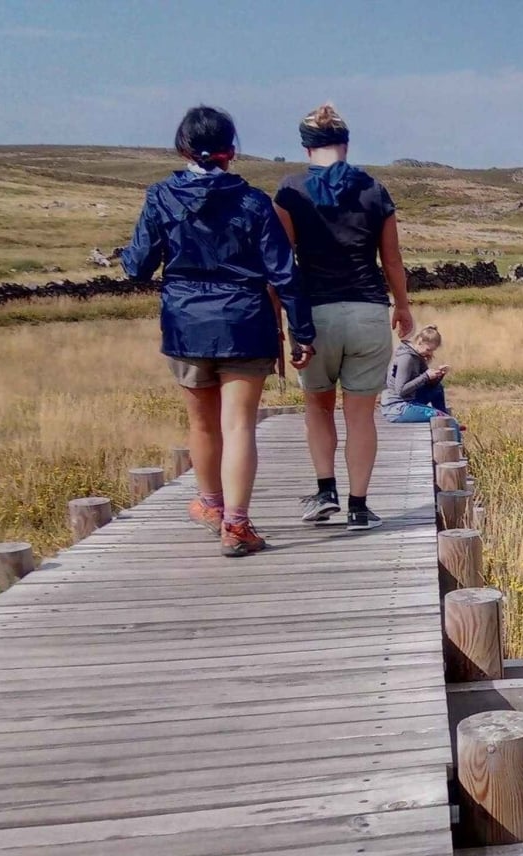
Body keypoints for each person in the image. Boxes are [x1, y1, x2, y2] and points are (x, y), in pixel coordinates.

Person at [122, 106, 315, 557]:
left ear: (182, 147)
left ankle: (210, 505)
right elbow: (284, 273)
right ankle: (237, 524)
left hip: (186, 324)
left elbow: (137, 267)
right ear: (232, 150)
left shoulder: (161, 197)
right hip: (245, 321)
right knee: (239, 425)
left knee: (202, 423)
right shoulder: (253, 202)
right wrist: (302, 332)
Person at [274, 103, 415, 531]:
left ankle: (325, 491)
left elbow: (281, 265)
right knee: (360, 414)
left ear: (305, 148)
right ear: (347, 145)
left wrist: (277, 318)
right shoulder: (374, 190)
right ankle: (359, 505)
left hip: (314, 314)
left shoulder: (291, 191)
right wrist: (403, 307)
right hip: (369, 310)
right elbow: (392, 261)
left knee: (317, 408)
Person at [380, 325, 451, 423]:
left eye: (432, 351)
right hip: (397, 408)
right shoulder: (406, 358)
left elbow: (428, 384)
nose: (430, 354)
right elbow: (401, 390)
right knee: (441, 417)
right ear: (420, 341)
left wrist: (438, 375)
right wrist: (426, 376)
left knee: (437, 389)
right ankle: (447, 421)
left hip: (409, 400)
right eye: (428, 350)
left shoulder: (418, 356)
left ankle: (447, 421)